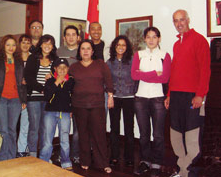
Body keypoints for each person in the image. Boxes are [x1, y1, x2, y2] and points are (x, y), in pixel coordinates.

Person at [165, 10, 211, 177]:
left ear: (188, 20)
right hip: (176, 96)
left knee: (192, 136)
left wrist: (200, 95)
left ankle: (190, 173)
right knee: (176, 135)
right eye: (175, 21)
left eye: (182, 20)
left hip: (193, 96)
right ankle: (181, 170)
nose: (179, 24)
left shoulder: (200, 40)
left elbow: (205, 70)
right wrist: (169, 94)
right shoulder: (177, 44)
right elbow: (175, 72)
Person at [69, 39, 113, 174]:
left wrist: (110, 97)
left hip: (97, 104)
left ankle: (103, 163)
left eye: (88, 48)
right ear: (79, 51)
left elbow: (109, 81)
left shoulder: (100, 65)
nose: (86, 51)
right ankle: (85, 161)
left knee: (99, 134)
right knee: (83, 134)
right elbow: (68, 87)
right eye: (83, 48)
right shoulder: (74, 67)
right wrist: (69, 107)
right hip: (78, 105)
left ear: (92, 51)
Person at [131, 27, 171, 177]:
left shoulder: (165, 55)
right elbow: (134, 75)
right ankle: (145, 161)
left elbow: (165, 78)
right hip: (141, 98)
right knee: (143, 133)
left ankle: (157, 163)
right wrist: (155, 74)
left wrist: (143, 74)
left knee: (158, 134)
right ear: (144, 39)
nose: (151, 40)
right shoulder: (138, 55)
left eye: (154, 37)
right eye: (148, 37)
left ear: (159, 39)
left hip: (158, 98)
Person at [0, 34, 27, 161]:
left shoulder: (19, 62)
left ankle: (11, 157)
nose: (11, 47)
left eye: (13, 45)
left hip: (15, 100)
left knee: (12, 130)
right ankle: (3, 159)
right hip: (0, 99)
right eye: (8, 44)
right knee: (3, 131)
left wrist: (23, 100)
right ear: (3, 46)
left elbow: (22, 83)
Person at [24, 34, 58, 157]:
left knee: (46, 128)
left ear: (53, 46)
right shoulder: (33, 58)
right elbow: (28, 78)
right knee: (34, 127)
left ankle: (44, 154)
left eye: (50, 43)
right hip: (34, 98)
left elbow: (59, 77)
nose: (47, 46)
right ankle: (32, 154)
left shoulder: (55, 60)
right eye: (45, 43)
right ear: (41, 44)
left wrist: (52, 78)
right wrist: (42, 89)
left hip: (48, 99)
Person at [39, 58, 74, 171]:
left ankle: (65, 161)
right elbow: (47, 96)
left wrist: (71, 109)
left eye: (64, 67)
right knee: (47, 138)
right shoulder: (50, 80)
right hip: (50, 112)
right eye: (59, 67)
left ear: (68, 69)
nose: (62, 70)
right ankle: (44, 159)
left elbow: (73, 96)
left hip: (64, 113)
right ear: (55, 69)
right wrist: (56, 82)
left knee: (65, 138)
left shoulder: (71, 81)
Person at [106, 35, 135, 167]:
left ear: (127, 47)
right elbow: (106, 81)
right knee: (114, 128)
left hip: (129, 98)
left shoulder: (133, 61)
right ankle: (114, 156)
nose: (121, 47)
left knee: (129, 129)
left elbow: (137, 78)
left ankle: (129, 157)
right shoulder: (109, 62)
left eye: (123, 45)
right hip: (114, 98)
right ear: (114, 47)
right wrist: (110, 96)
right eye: (118, 45)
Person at [57, 25, 80, 164]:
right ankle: (63, 155)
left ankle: (76, 154)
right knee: (63, 128)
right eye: (68, 35)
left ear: (78, 37)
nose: (71, 37)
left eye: (73, 34)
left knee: (78, 129)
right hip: (62, 95)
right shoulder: (58, 51)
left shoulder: (83, 51)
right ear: (64, 37)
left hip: (78, 94)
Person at [16, 34, 31, 157]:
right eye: (23, 42)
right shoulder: (14, 58)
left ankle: (22, 149)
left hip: (28, 97)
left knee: (25, 124)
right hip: (14, 95)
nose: (25, 45)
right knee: (10, 126)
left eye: (28, 42)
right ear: (19, 44)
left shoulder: (34, 59)